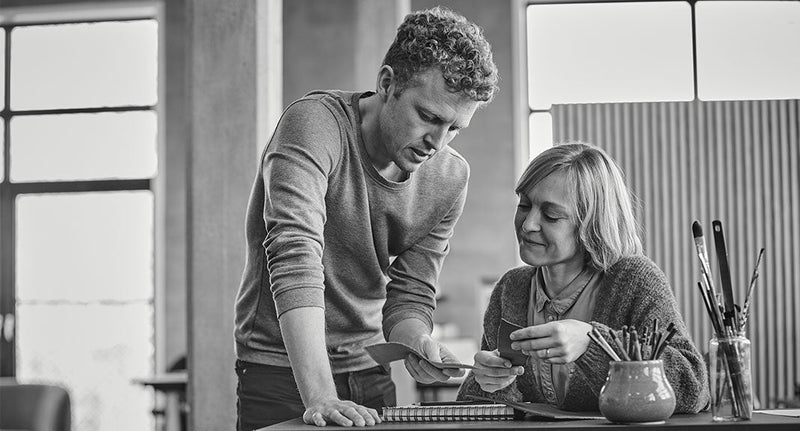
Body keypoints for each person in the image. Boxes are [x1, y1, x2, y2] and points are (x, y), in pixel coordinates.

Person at [233, 6, 498, 430]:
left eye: (454, 128)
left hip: (369, 369)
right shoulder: (314, 125)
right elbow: (294, 254)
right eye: (429, 117)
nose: (437, 142)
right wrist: (321, 396)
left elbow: (411, 292)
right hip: (280, 369)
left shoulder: (450, 177)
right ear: (387, 83)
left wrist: (417, 341)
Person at [457, 143, 709, 413]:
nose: (528, 224)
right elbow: (476, 409)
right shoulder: (511, 288)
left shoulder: (634, 280)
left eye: (551, 216)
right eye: (524, 205)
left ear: (592, 224)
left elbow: (693, 388)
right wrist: (488, 381)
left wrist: (594, 343)